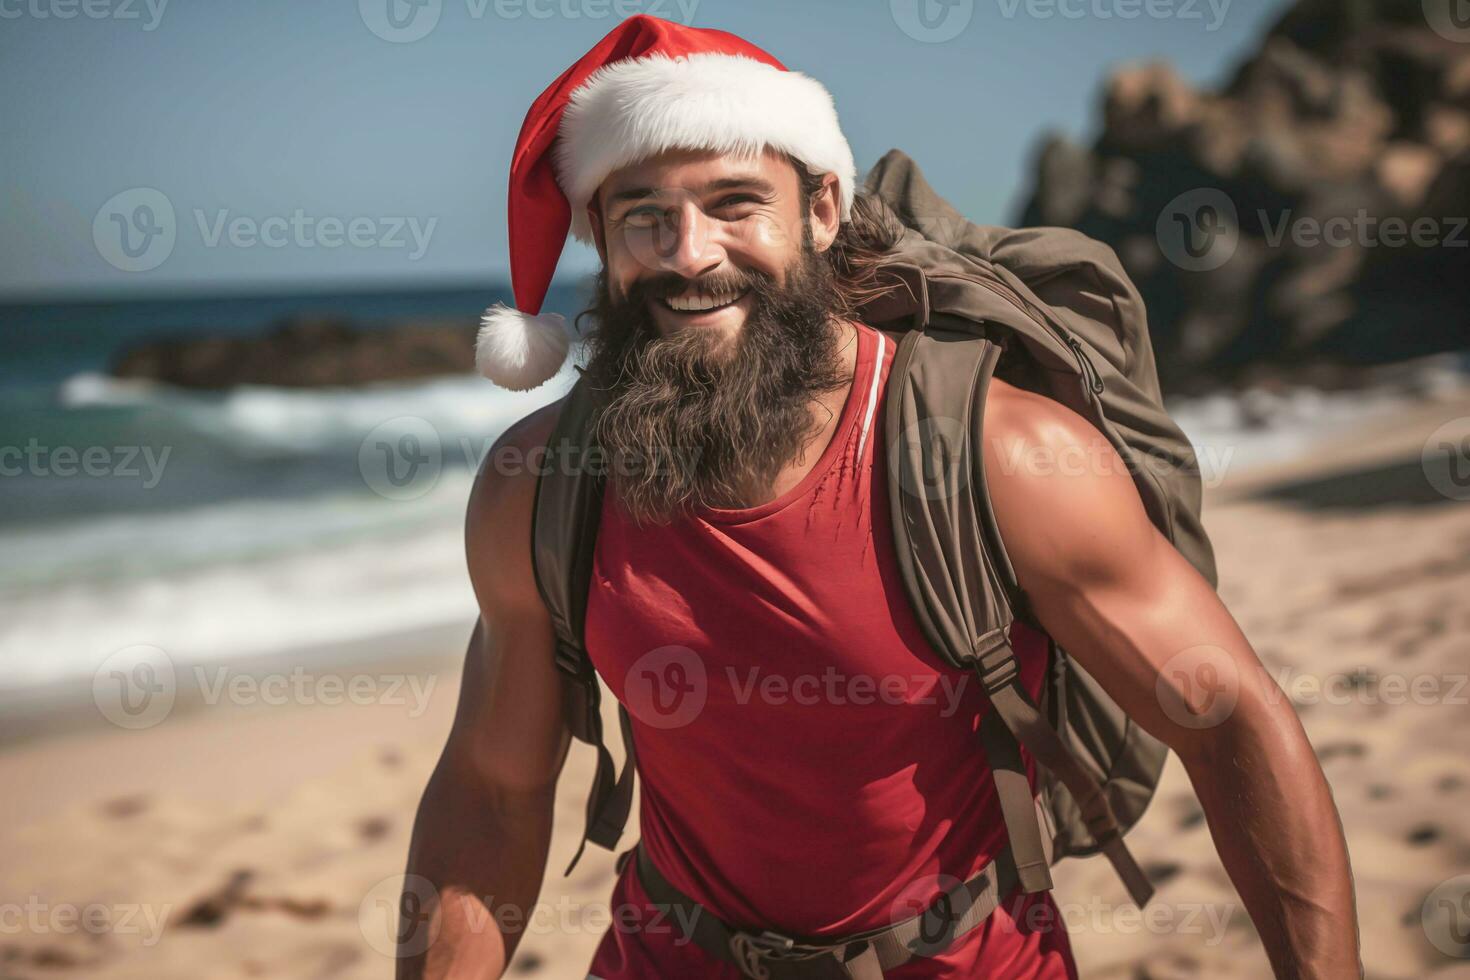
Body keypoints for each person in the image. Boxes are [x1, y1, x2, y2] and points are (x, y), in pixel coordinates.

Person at [400, 15, 1362, 979]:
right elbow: (492, 794)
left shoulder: (1000, 456)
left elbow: (1227, 715)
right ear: (601, 236)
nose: (688, 254)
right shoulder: (544, 487)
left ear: (822, 209)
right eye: (643, 213)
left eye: (736, 203)